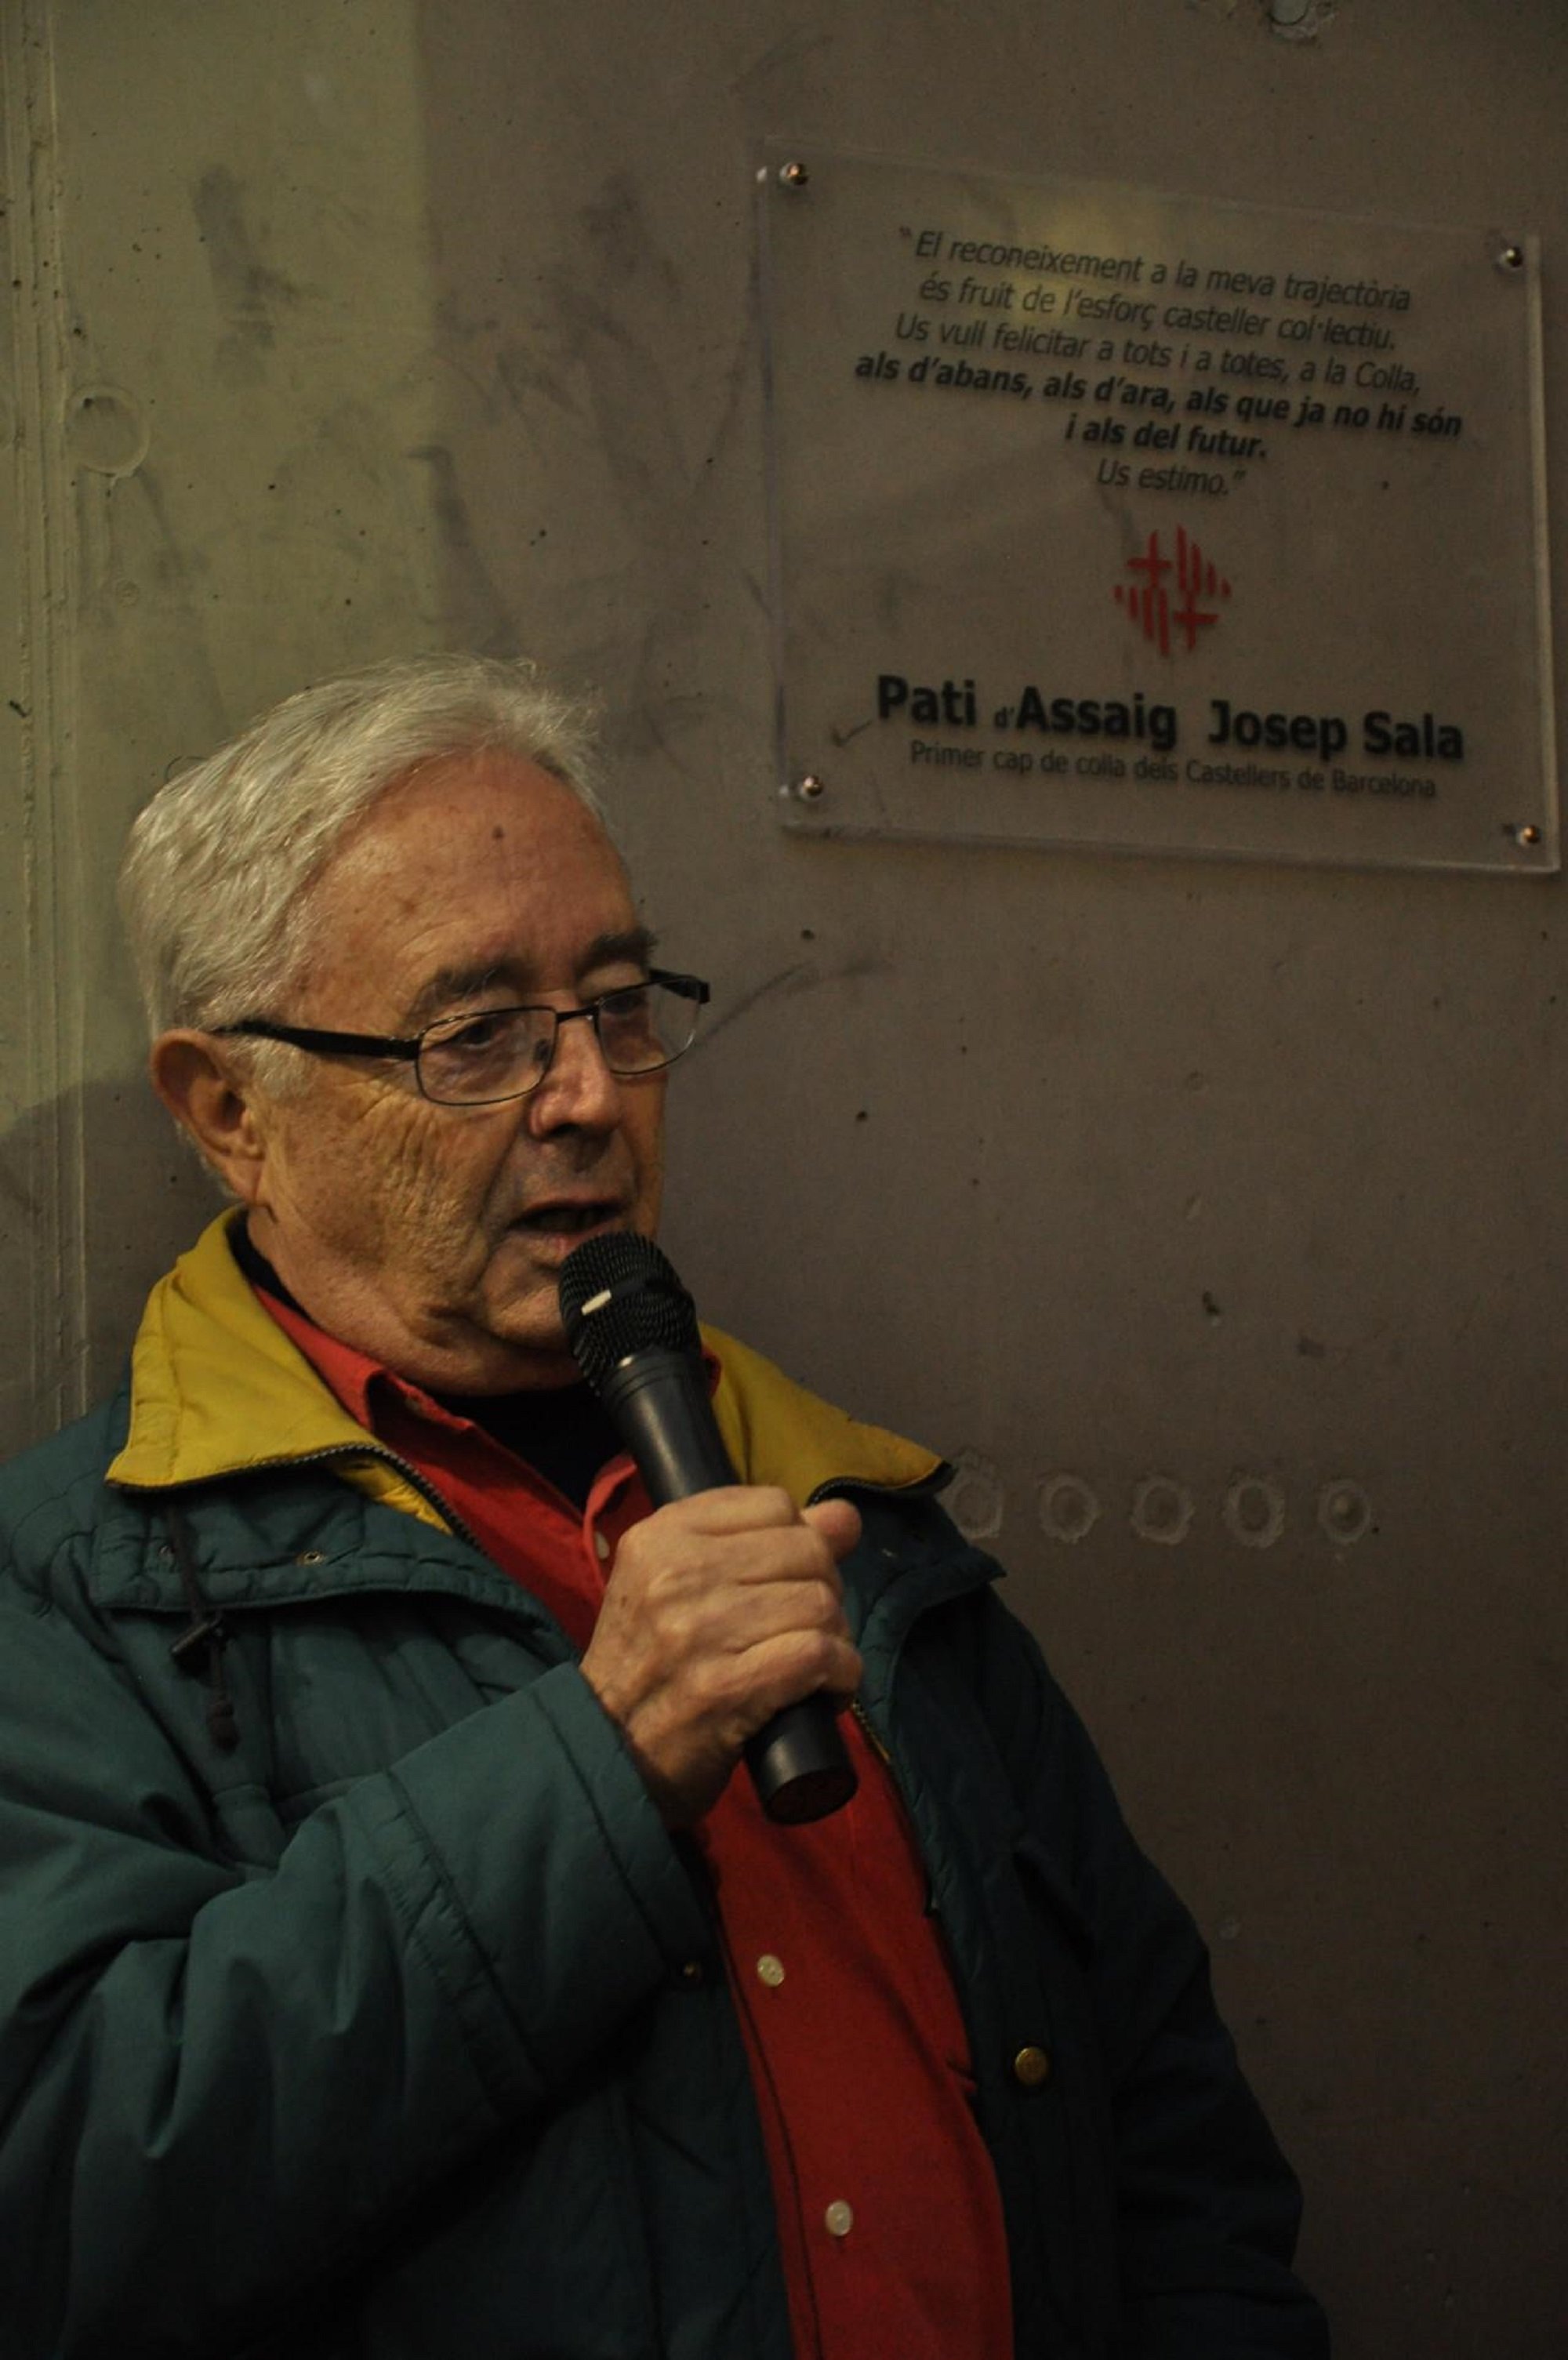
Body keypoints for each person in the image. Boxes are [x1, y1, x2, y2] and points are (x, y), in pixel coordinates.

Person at [0, 653, 1328, 2359]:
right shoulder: (73, 1588)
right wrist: (601, 1759)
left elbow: (1166, 2134)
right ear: (232, 1109)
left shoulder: (856, 1518)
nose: (585, 1096)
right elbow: (66, 2197)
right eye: (477, 1034)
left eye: (618, 1006)